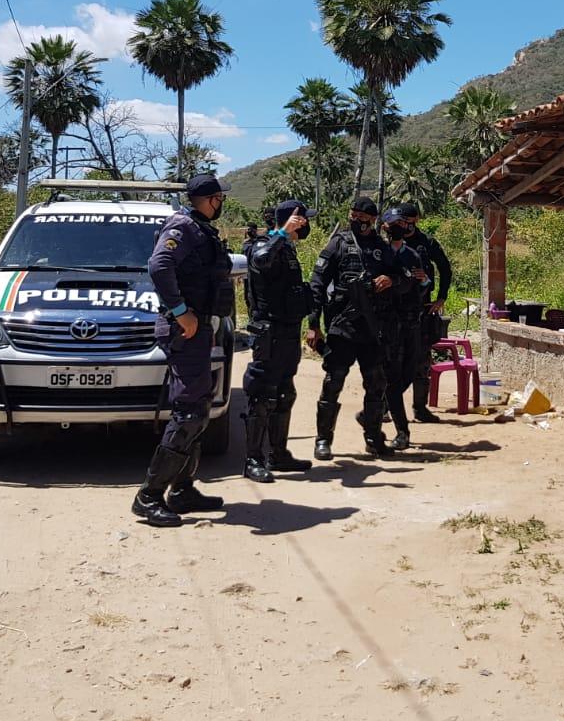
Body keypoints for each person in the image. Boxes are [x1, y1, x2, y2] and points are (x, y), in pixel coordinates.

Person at [132, 174, 234, 527]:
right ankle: (148, 496)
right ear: (210, 198)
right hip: (185, 328)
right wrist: (180, 311)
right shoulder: (183, 226)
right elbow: (158, 266)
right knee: (189, 412)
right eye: (220, 197)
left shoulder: (200, 228)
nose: (222, 202)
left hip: (198, 327)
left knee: (200, 410)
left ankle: (182, 490)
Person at [307, 198, 396, 460]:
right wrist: (313, 324)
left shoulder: (381, 248)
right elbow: (317, 284)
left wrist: (391, 279)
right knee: (333, 383)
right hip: (342, 327)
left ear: (373, 219)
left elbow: (403, 279)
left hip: (372, 329)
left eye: (362, 217)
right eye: (353, 215)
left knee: (376, 384)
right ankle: (323, 440)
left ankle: (373, 438)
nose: (357, 221)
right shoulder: (339, 243)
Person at [242, 200, 316, 483]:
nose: (307, 224)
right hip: (269, 332)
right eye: (303, 219)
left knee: (286, 393)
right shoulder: (264, 244)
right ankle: (253, 459)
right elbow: (260, 261)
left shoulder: (288, 249)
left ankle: (279, 454)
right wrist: (282, 232)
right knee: (262, 395)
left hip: (287, 330)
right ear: (291, 220)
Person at [397, 203, 453, 424]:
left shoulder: (426, 243)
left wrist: (441, 297)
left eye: (411, 220)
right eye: (403, 220)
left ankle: (420, 408)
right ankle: (383, 407)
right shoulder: (389, 242)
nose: (407, 225)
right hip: (394, 311)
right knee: (393, 360)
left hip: (421, 309)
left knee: (421, 361)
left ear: (416, 220)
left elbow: (445, 268)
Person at [379, 207, 429, 450]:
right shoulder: (379, 254)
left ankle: (375, 410)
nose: (400, 226)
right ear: (386, 227)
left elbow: (423, 285)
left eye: (403, 223)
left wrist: (423, 281)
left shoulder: (413, 254)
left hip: (411, 320)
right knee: (392, 376)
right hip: (389, 323)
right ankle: (402, 432)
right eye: (395, 223)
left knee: (410, 372)